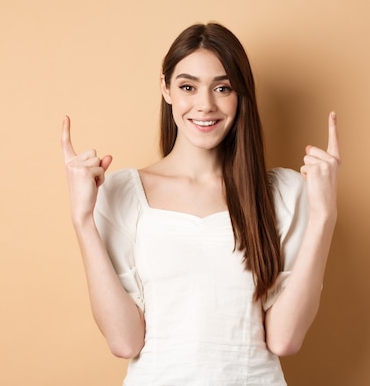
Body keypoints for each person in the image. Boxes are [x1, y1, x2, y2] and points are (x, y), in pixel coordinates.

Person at [61, 22, 340, 386]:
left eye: (222, 88)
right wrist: (82, 218)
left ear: (241, 96)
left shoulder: (282, 194)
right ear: (166, 89)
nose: (205, 105)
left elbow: (285, 339)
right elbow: (124, 340)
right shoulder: (121, 193)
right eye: (188, 87)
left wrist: (324, 216)